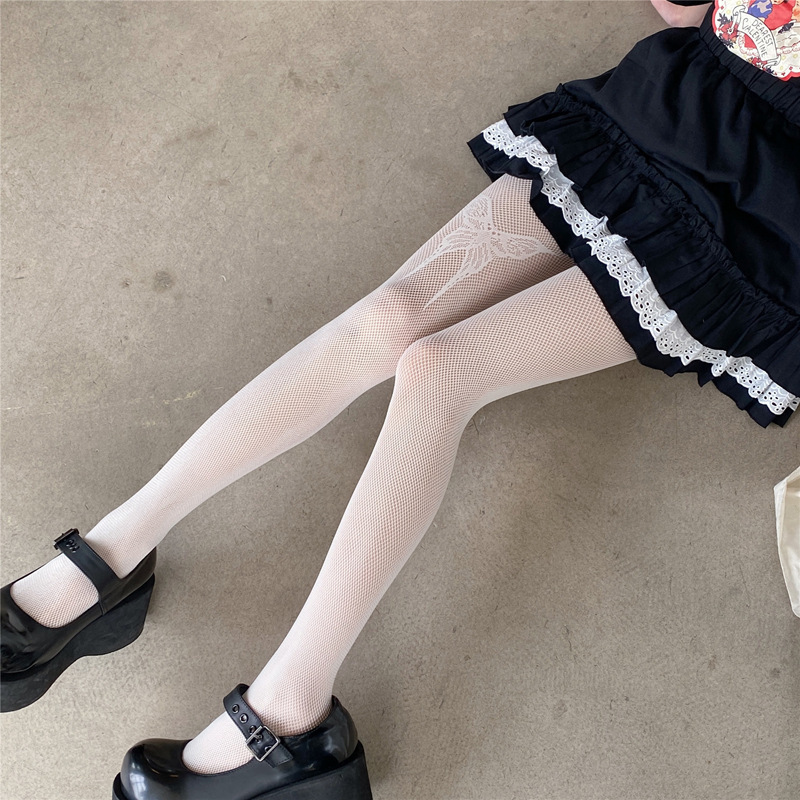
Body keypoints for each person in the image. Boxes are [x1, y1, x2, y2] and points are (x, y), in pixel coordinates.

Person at [2, 1, 798, 798]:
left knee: (442, 369)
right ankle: (110, 559)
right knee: (387, 318)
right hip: (685, 97)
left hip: (768, 211)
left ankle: (290, 720)